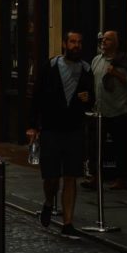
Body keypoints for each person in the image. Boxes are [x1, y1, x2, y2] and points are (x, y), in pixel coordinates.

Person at [27, 29, 94, 238]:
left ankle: (68, 222)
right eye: (72, 42)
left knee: (71, 176)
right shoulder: (51, 66)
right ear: (64, 44)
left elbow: (92, 99)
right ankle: (49, 201)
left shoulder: (86, 69)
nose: (76, 46)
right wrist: (32, 126)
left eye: (79, 42)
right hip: (51, 129)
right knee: (51, 178)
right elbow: (37, 96)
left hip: (74, 129)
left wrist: (88, 99)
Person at [87, 30, 127, 189]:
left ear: (115, 43)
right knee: (96, 146)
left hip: (118, 110)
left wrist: (116, 74)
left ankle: (120, 178)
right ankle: (95, 176)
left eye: (108, 39)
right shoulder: (96, 60)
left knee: (119, 147)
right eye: (102, 39)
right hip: (100, 110)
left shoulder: (124, 61)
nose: (103, 41)